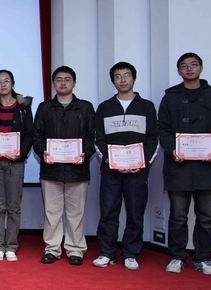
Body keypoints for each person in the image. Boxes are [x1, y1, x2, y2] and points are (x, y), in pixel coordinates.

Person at [159, 52, 211, 276]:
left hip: (207, 168)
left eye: (193, 65)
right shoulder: (170, 97)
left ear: (201, 68)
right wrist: (172, 149)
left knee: (207, 217)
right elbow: (162, 129)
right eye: (184, 65)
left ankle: (204, 258)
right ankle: (177, 256)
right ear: (178, 71)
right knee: (178, 216)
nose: (189, 69)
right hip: (178, 167)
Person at [92, 62, 158, 270]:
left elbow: (153, 138)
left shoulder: (146, 106)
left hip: (138, 171)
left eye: (126, 75)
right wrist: (109, 160)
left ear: (133, 78)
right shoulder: (105, 107)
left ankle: (131, 253)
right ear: (113, 81)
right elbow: (98, 139)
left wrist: (143, 162)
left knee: (135, 212)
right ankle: (107, 252)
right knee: (108, 211)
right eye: (118, 76)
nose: (122, 80)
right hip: (111, 170)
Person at [33, 65, 95, 266]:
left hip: (78, 170)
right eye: (58, 79)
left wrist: (84, 153)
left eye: (67, 79)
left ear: (74, 83)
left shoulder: (85, 107)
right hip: (51, 170)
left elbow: (92, 138)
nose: (63, 83)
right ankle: (52, 249)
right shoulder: (44, 108)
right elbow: (37, 137)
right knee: (52, 213)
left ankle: (75, 249)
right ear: (53, 83)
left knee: (76, 213)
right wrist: (43, 152)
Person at [0, 69, 33, 262]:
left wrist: (20, 153)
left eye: (6, 81)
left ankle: (11, 246)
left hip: (15, 162)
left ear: (12, 83)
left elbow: (29, 134)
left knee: (14, 206)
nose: (3, 84)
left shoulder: (23, 106)